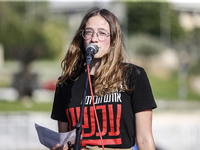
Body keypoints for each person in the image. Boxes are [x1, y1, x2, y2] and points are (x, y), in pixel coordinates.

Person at [51, 7, 157, 150]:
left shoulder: (134, 76)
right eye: (89, 32)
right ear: (82, 37)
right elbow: (64, 140)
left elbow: (144, 139)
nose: (94, 38)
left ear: (113, 39)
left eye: (102, 33)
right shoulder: (66, 83)